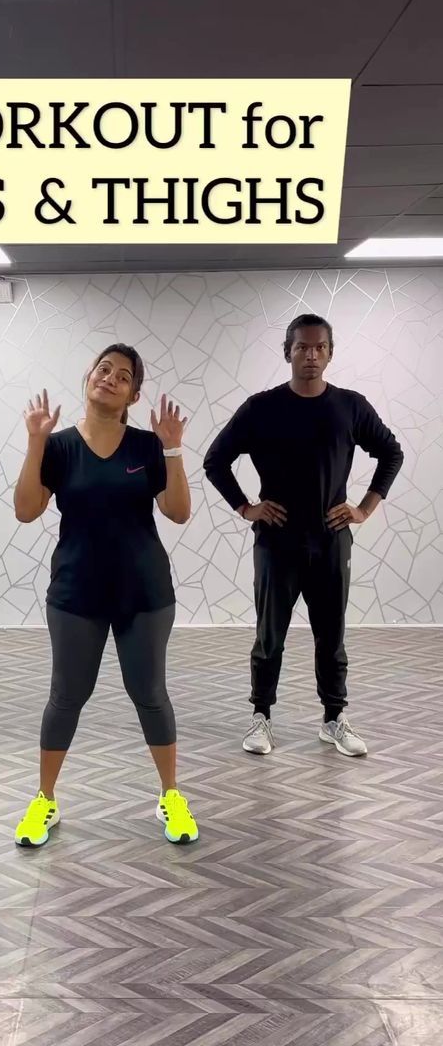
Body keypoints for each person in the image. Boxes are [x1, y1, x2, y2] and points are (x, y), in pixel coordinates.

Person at [13, 343, 198, 847]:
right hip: (76, 593)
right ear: (88, 378)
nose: (110, 378)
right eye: (103, 369)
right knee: (67, 697)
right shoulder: (58, 446)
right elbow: (26, 510)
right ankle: (44, 801)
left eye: (123, 376)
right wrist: (34, 443)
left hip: (145, 593)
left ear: (133, 394)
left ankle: (171, 797)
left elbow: (179, 512)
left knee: (151, 695)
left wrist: (173, 448)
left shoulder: (146, 446)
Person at [204, 313, 403, 758]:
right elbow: (215, 460)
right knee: (269, 633)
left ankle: (333, 719)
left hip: (331, 539)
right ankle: (261, 717)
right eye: (301, 347)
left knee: (330, 634)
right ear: (287, 352)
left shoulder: (350, 406)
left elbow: (391, 452)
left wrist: (365, 508)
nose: (310, 355)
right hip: (277, 542)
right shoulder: (261, 407)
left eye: (319, 347)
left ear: (330, 353)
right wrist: (246, 507)